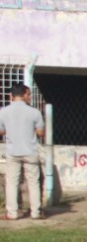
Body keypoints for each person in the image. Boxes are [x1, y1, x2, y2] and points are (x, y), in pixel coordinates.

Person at [0, 82, 46, 220]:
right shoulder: (34, 112)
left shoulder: (3, 111)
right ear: (25, 94)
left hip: (13, 151)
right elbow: (41, 133)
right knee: (33, 182)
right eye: (29, 94)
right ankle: (36, 212)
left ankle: (12, 213)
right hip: (30, 151)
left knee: (12, 182)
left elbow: (1, 131)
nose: (30, 97)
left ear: (11, 95)